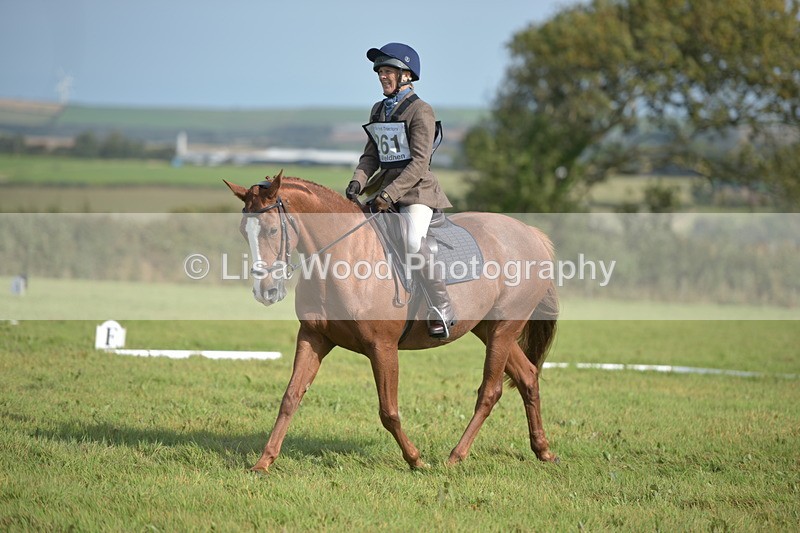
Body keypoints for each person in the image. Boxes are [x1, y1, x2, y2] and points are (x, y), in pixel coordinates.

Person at [345, 42, 457, 339]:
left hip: (416, 193)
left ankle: (442, 307)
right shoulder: (379, 109)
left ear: (406, 75)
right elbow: (371, 155)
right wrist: (358, 180)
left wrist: (389, 195)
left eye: (388, 71)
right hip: (383, 192)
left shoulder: (421, 110)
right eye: (380, 71)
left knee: (410, 238)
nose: (382, 76)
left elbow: (420, 163)